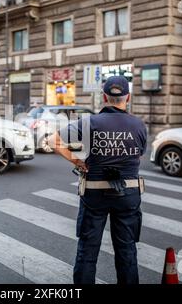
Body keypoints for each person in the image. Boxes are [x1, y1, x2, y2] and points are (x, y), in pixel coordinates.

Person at [50, 76, 147, 284]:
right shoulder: (139, 125)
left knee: (88, 250)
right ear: (127, 97)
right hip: (128, 196)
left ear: (104, 97)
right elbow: (138, 156)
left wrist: (77, 161)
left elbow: (53, 141)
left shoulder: (90, 122)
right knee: (127, 250)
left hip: (95, 195)